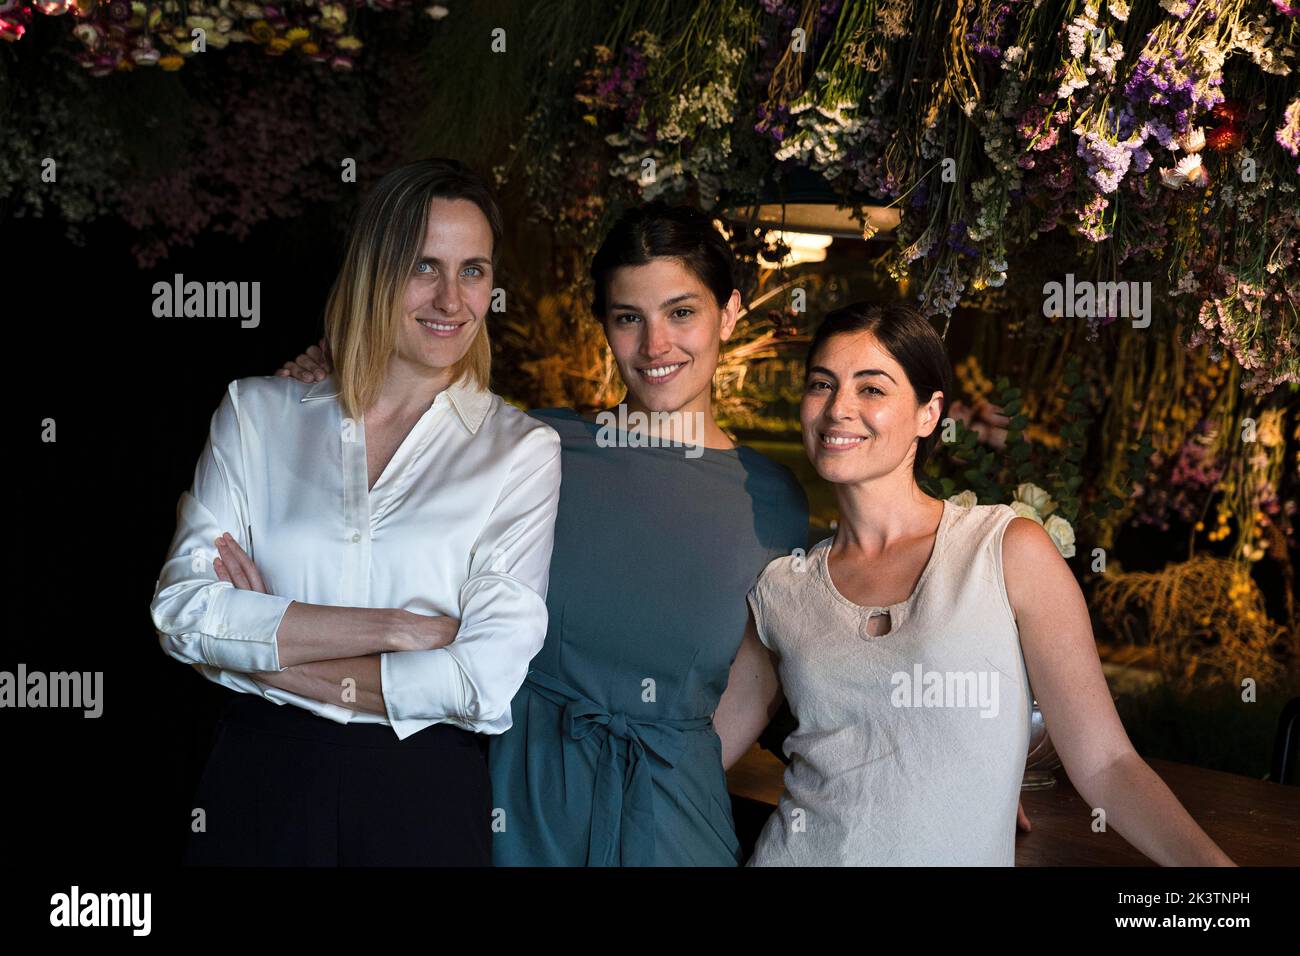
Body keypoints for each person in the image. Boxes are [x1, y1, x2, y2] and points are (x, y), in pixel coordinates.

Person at [277, 202, 810, 865]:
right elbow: (380, 512)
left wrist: (654, 768)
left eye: (681, 312)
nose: (655, 346)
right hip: (515, 803)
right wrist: (303, 401)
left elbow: (755, 686)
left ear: (727, 313)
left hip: (673, 823)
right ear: (605, 326)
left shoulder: (773, 501)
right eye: (628, 318)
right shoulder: (535, 445)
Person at [150, 158, 561, 866]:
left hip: (422, 793)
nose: (451, 298)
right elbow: (184, 612)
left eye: (474, 270)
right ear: (374, 268)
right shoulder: (257, 412)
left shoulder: (521, 451)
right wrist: (396, 630)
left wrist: (262, 653)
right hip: (261, 780)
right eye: (423, 265)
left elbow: (482, 681)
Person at [743, 302, 1235, 866]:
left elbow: (1106, 764)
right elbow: (698, 744)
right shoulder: (784, 587)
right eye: (821, 384)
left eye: (872, 389)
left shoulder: (1007, 549)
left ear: (929, 414)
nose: (838, 409)